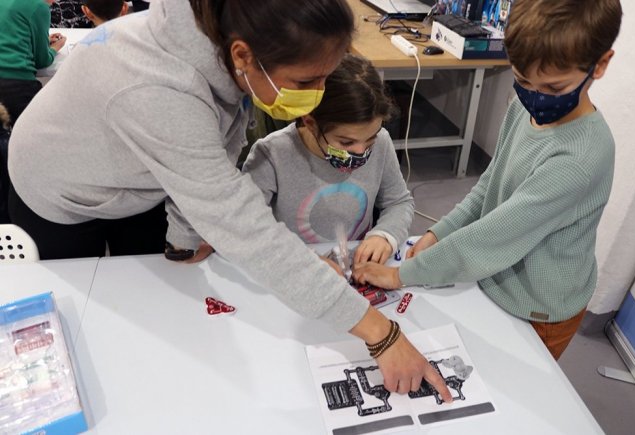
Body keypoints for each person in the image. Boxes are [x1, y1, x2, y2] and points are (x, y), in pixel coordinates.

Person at [8, 0, 452, 399]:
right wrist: (381, 335)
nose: (317, 94)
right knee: (91, 320)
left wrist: (184, 235)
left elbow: (215, 147)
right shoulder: (161, 89)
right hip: (60, 189)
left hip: (142, 180)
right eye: (306, 80)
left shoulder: (225, 46)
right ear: (242, 56)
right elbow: (244, 227)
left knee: (160, 299)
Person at [353, 0, 622, 360]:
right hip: (497, 278)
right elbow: (490, 184)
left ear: (600, 65)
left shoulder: (579, 158)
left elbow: (497, 235)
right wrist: (440, 231)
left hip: (538, 306)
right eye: (522, 81)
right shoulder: (524, 107)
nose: (535, 97)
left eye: (554, 88)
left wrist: (401, 275)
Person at [242, 54, 414, 266]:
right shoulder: (271, 155)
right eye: (346, 142)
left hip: (356, 261)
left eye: (370, 139)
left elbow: (399, 202)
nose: (360, 151)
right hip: (293, 264)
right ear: (311, 123)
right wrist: (305, 262)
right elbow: (247, 224)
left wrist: (385, 235)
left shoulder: (382, 143)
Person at [0, 0, 66, 223]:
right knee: (26, 159)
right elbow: (41, 59)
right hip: (16, 86)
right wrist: (54, 48)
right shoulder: (37, 6)